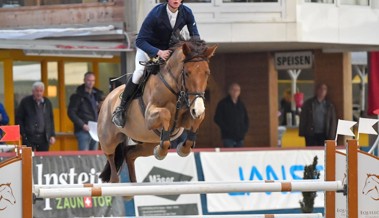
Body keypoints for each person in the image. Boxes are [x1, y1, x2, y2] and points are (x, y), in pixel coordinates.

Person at [112, 0, 200, 128]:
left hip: (168, 51)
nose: (176, 0)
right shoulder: (156, 14)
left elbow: (195, 36)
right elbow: (140, 40)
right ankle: (121, 109)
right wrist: (158, 52)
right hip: (148, 49)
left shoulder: (186, 12)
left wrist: (197, 52)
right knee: (139, 73)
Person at [68, 72, 104, 151]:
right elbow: (71, 113)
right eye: (88, 80)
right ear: (84, 80)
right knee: (84, 156)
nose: (91, 82)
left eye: (93, 80)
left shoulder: (97, 95)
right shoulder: (77, 96)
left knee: (94, 155)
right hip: (83, 130)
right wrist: (82, 125)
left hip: (95, 130)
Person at [15, 82, 55, 151]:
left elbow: (50, 120)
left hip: (44, 137)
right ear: (33, 91)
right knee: (28, 159)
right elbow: (19, 119)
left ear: (43, 92)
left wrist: (52, 135)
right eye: (37, 91)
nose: (39, 93)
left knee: (43, 159)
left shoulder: (47, 102)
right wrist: (23, 133)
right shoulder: (25, 102)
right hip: (29, 137)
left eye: (41, 91)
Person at [214, 83, 249, 148]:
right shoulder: (223, 103)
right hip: (228, 137)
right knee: (229, 156)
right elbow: (217, 118)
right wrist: (226, 129)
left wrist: (244, 130)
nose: (235, 91)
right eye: (234, 89)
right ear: (229, 91)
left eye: (238, 90)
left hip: (240, 137)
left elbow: (246, 119)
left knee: (240, 156)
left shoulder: (241, 104)